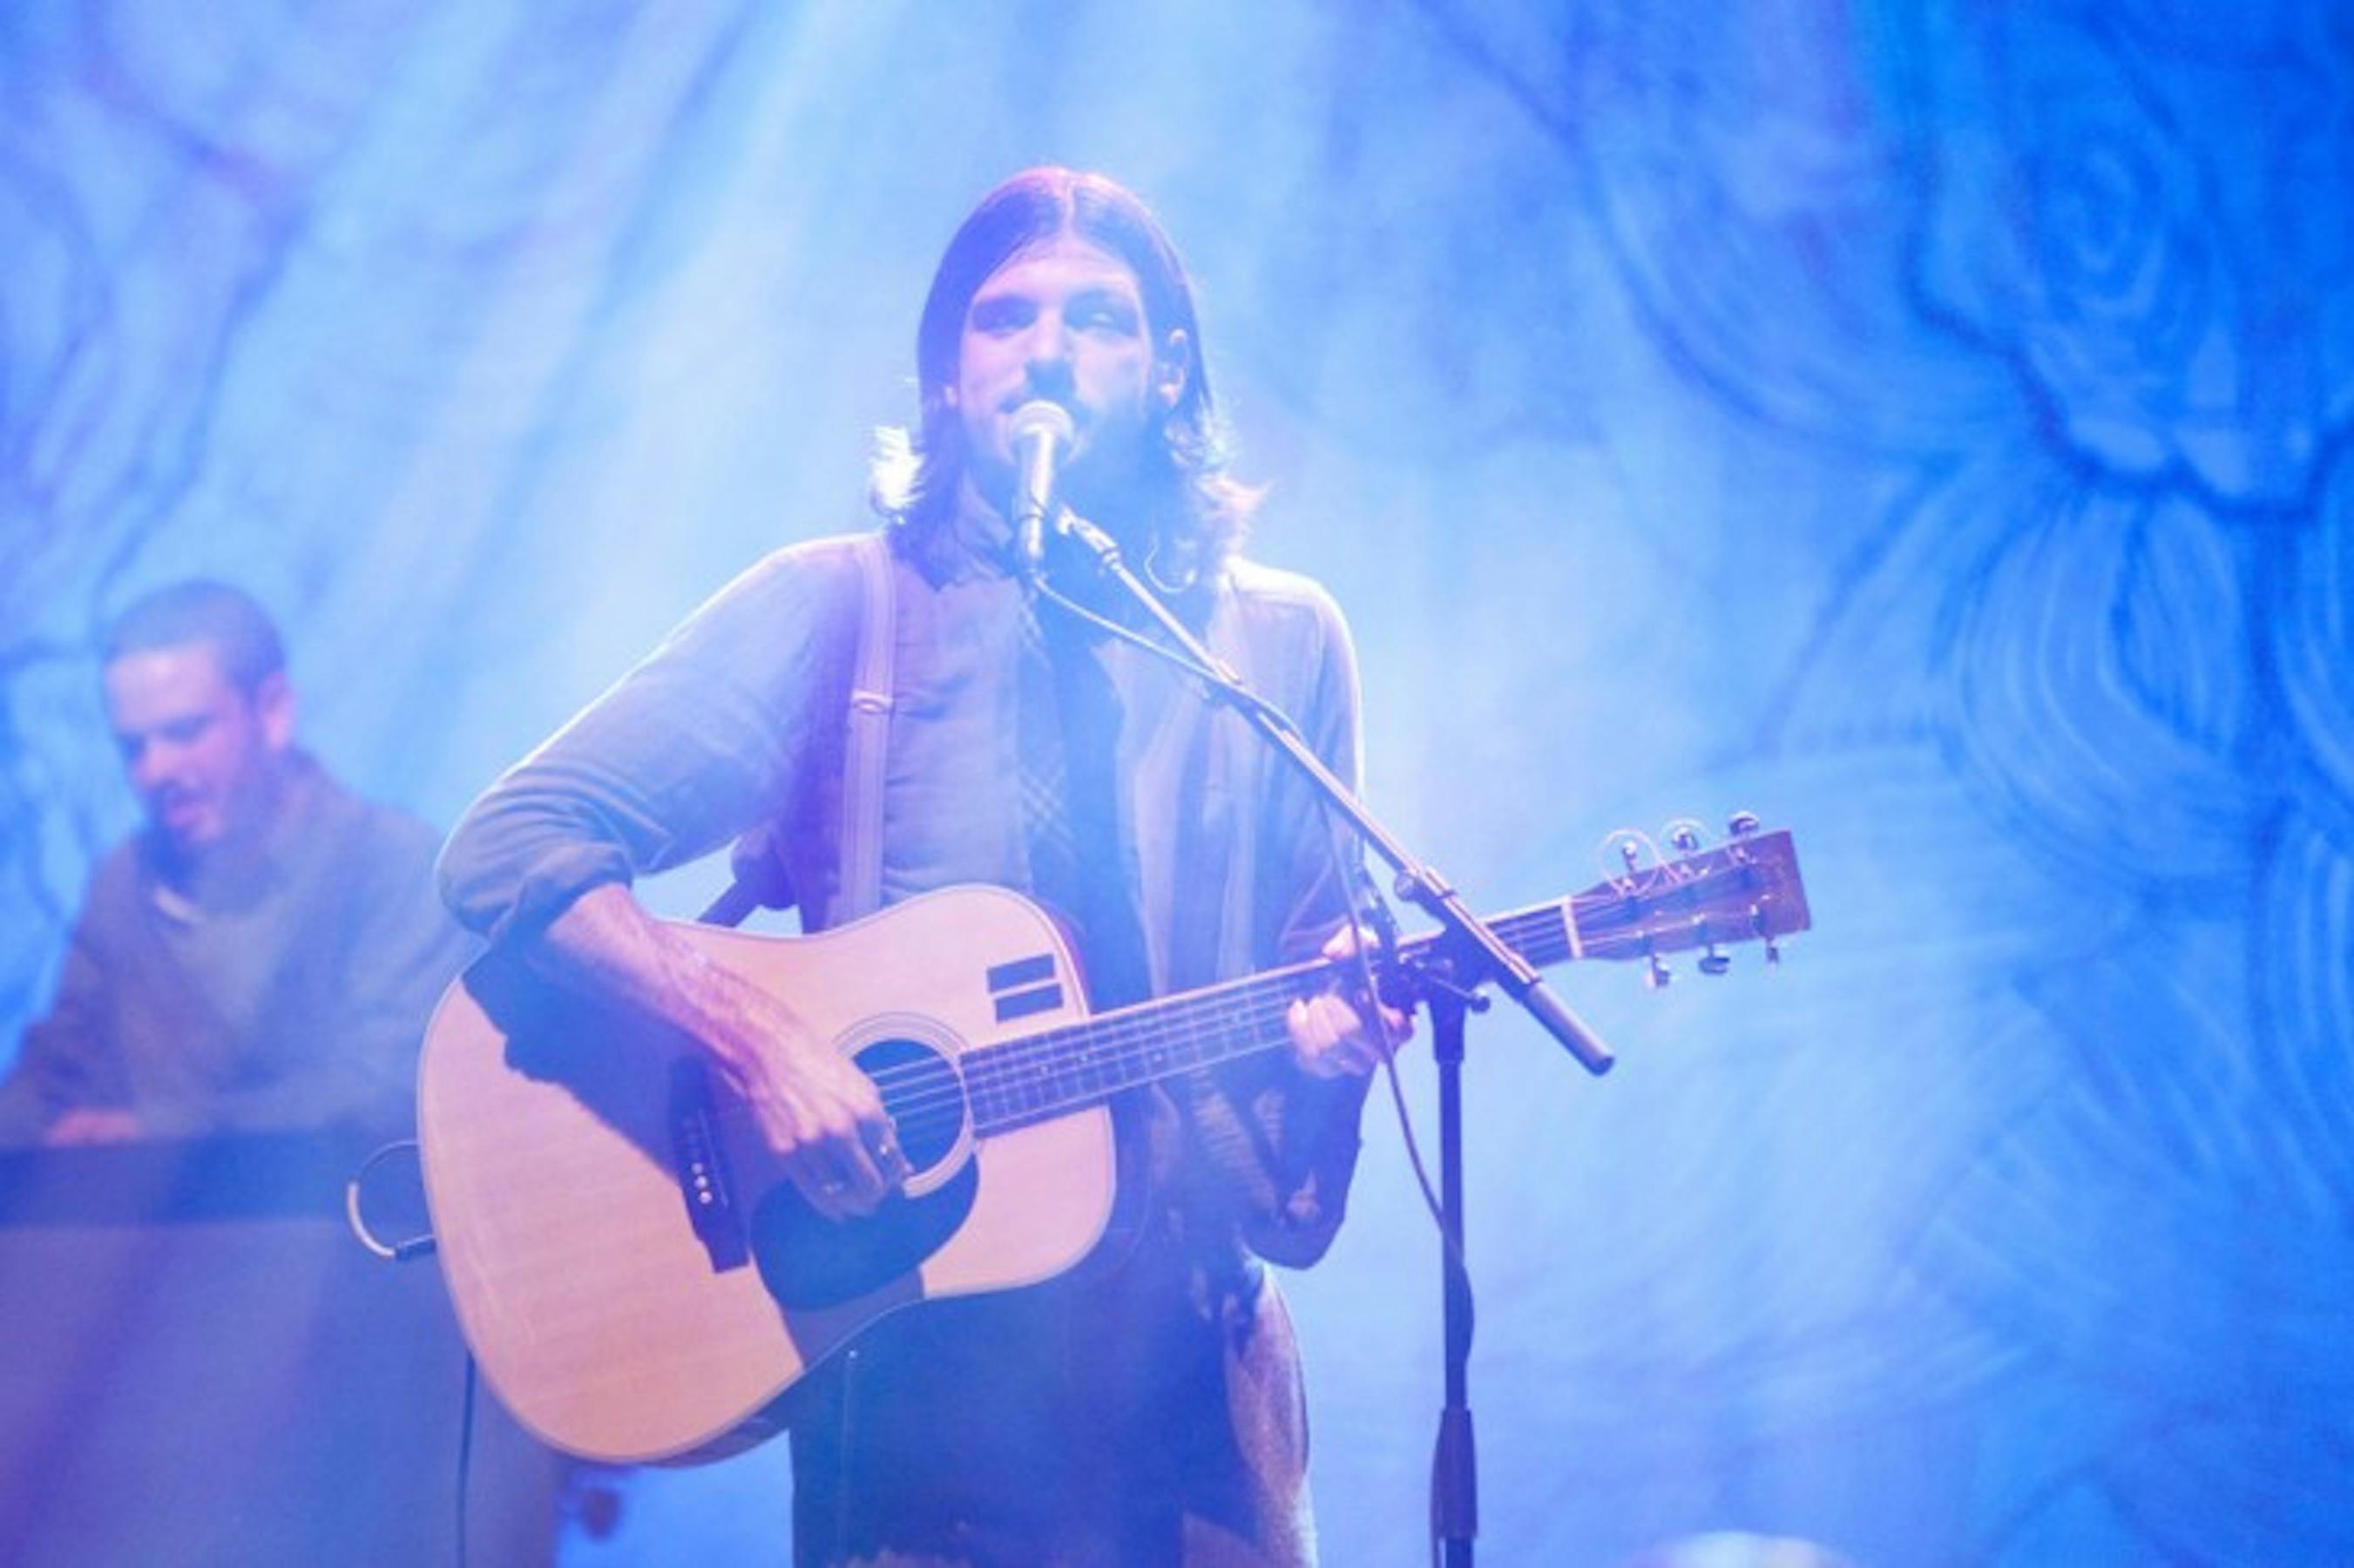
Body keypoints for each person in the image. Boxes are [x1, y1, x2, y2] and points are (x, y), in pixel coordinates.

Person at [437, 167, 1401, 1565]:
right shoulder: (836, 608)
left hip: (1187, 1381)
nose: (1047, 353)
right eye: (1005, 319)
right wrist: (763, 1045)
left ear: (1168, 373)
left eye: (1098, 320)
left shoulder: (1277, 644)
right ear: (947, 376)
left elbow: (1316, 984)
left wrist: (1333, 1045)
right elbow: (511, 848)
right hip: (906, 1389)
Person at [0, 580, 471, 1147]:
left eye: (185, 732)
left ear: (272, 711)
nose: (155, 769)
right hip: (147, 1206)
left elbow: (389, 1090)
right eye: (134, 747)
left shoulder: (392, 865)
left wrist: (158, 1134)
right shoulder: (124, 883)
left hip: (342, 1201)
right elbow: (54, 1073)